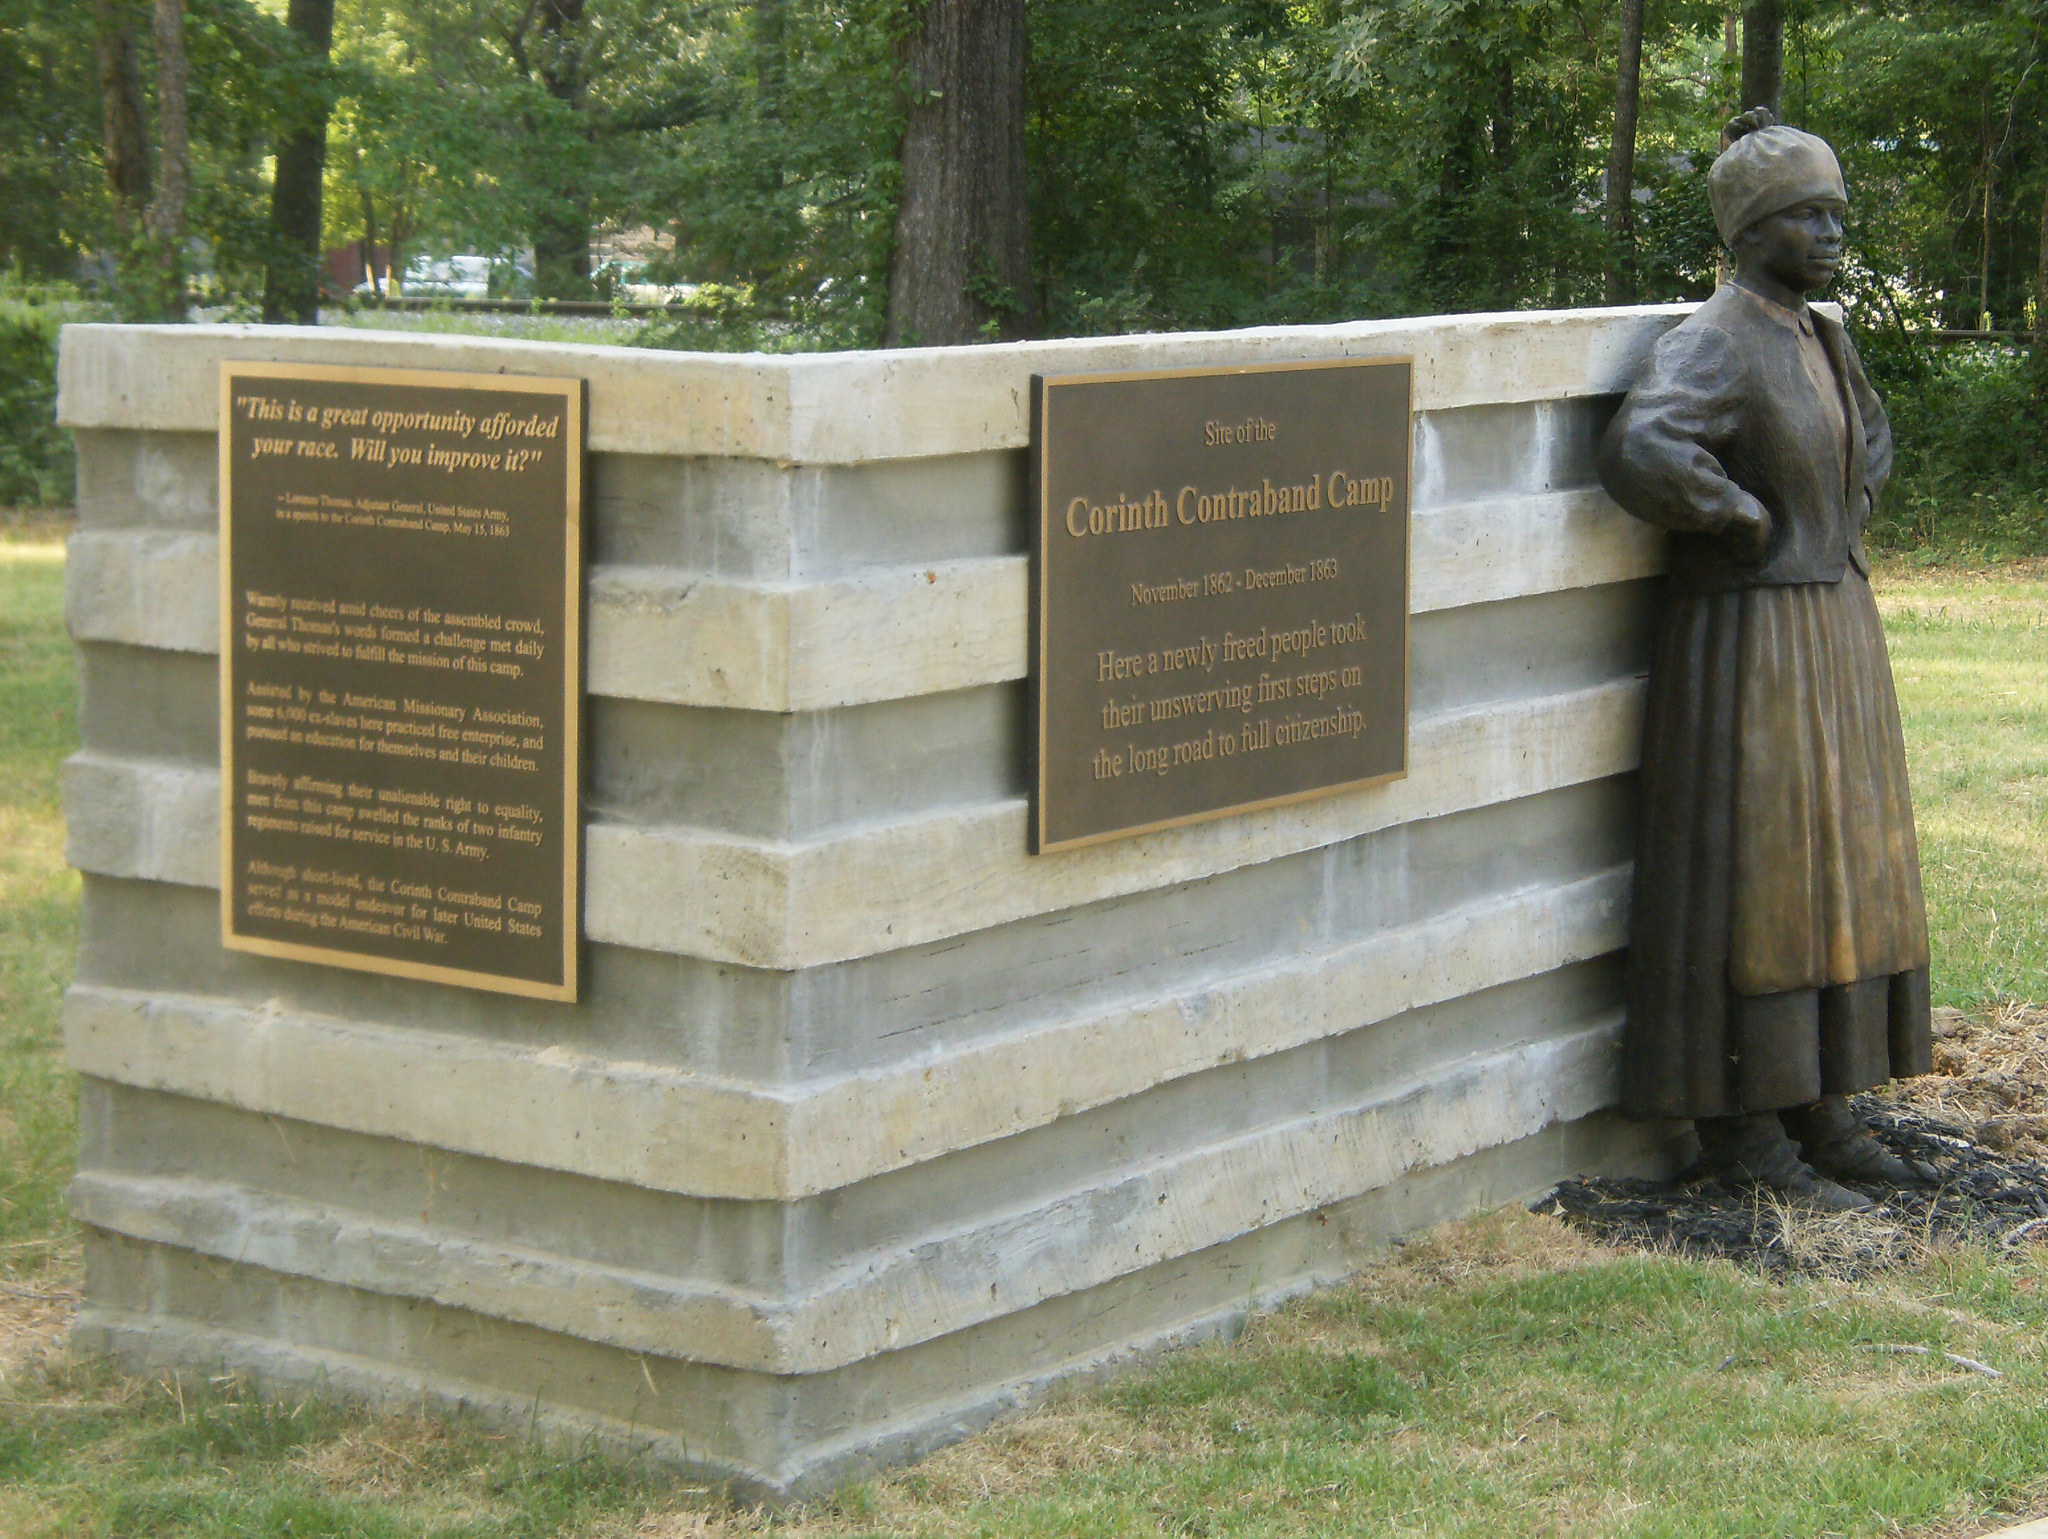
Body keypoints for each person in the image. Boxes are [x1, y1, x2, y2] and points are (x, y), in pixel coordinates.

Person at [1598, 108, 1931, 1211]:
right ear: (1748, 232)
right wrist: (1740, 520)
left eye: (1835, 212)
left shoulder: (1822, 332)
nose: (1831, 233)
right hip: (1747, 645)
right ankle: (1744, 1134)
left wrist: (1835, 522)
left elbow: (1868, 435)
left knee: (1840, 863)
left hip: (1828, 626)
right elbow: (1642, 445)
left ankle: (1818, 1096)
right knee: (1757, 877)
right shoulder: (1717, 336)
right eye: (1806, 215)